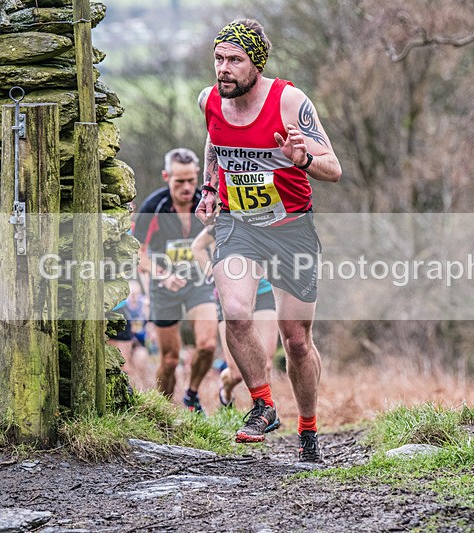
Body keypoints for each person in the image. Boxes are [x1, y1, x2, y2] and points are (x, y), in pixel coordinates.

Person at [196, 19, 341, 463]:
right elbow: (214, 141)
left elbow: (332, 167)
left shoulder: (289, 101)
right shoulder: (209, 99)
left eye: (235, 60)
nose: (224, 69)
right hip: (238, 224)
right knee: (236, 314)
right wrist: (208, 188)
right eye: (219, 59)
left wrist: (303, 159)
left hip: (291, 226)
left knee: (295, 338)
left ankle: (310, 428)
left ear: (256, 64)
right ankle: (263, 404)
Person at [134, 148, 219, 414]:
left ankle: (192, 395)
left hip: (198, 284)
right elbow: (137, 252)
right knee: (169, 360)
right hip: (164, 286)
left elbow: (221, 238)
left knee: (207, 346)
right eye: (179, 181)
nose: (187, 187)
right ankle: (161, 411)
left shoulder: (206, 204)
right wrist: (162, 275)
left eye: (192, 180)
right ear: (166, 177)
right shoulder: (154, 207)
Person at [191, 225, 279, 408]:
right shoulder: (225, 221)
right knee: (237, 373)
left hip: (264, 292)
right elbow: (197, 246)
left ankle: (264, 412)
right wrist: (213, 274)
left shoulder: (262, 217)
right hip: (231, 296)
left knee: (266, 363)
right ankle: (226, 389)